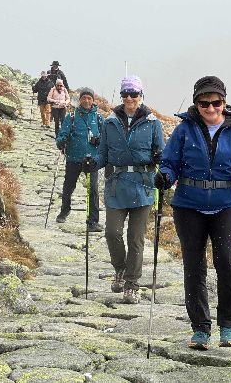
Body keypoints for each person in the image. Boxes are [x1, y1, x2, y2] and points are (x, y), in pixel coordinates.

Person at [155, 76, 231, 350]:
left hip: (227, 204)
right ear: (196, 103)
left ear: (224, 102)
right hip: (188, 205)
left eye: (217, 102)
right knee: (194, 266)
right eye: (205, 103)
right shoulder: (184, 130)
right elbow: (170, 162)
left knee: (226, 261)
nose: (211, 108)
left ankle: (228, 326)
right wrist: (165, 175)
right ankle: (200, 329)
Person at [83, 75, 165, 304]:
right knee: (112, 233)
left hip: (143, 186)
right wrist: (92, 163)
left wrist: (160, 159)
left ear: (141, 95)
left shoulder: (153, 123)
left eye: (134, 94)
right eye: (125, 94)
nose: (129, 98)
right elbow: (103, 154)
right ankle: (120, 268)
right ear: (121, 96)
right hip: (116, 187)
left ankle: (131, 284)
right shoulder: (110, 123)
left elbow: (163, 154)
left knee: (136, 239)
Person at [55, 87, 104, 232]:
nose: (86, 100)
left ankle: (93, 222)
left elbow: (106, 139)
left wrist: (99, 140)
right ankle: (65, 211)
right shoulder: (71, 117)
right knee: (68, 187)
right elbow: (62, 134)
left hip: (92, 161)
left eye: (89, 98)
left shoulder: (99, 118)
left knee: (93, 191)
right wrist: (61, 141)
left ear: (93, 101)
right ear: (80, 100)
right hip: (74, 159)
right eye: (84, 98)